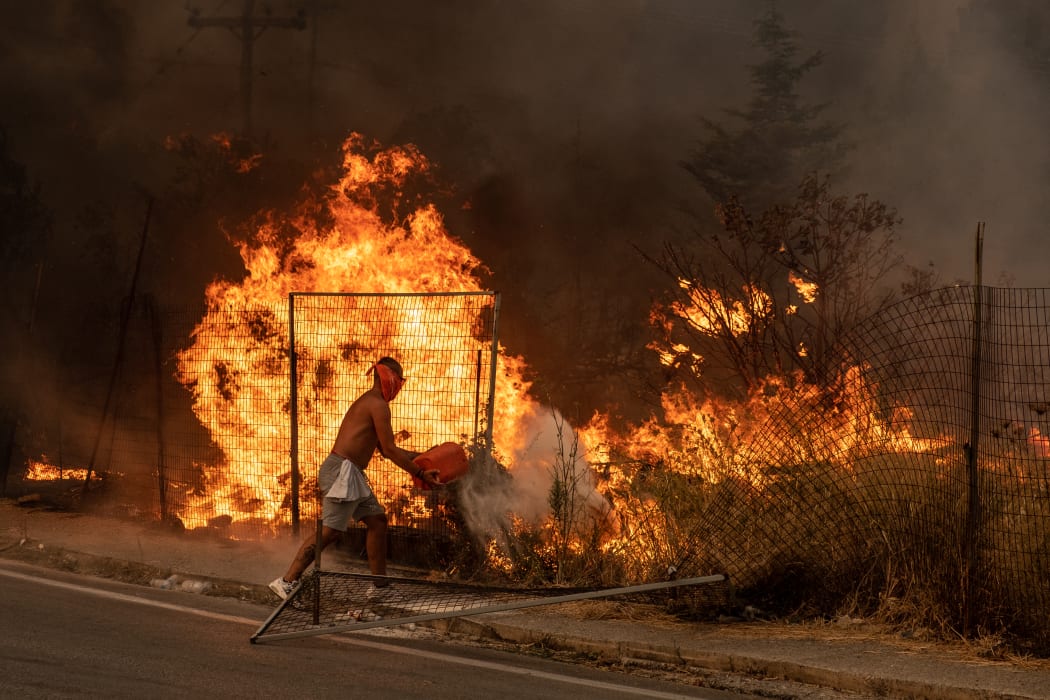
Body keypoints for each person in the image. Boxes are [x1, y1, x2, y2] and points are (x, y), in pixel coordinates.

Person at [269, 356, 442, 601]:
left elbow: (383, 449)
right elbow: (391, 450)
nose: (399, 387)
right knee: (330, 532)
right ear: (387, 378)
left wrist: (423, 457)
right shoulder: (377, 404)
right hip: (341, 472)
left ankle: (379, 588)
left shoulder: (374, 403)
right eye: (398, 380)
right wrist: (420, 473)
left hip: (351, 474)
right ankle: (287, 581)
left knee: (378, 522)